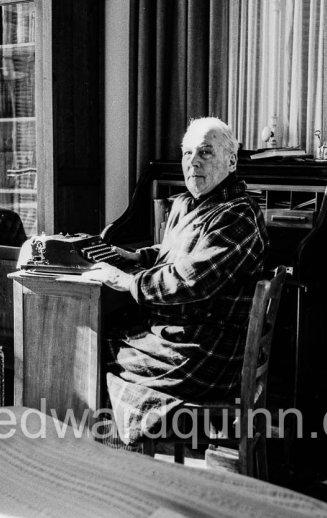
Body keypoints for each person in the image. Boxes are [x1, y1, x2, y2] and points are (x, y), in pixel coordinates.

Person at [85, 117, 270, 445]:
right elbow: (178, 252)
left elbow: (191, 279)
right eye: (187, 154)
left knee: (92, 353)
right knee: (101, 343)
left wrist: (128, 281)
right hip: (178, 338)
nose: (193, 162)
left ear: (231, 161)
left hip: (203, 353)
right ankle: (127, 450)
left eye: (205, 153)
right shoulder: (188, 203)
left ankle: (124, 454)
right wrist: (136, 258)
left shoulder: (239, 213)